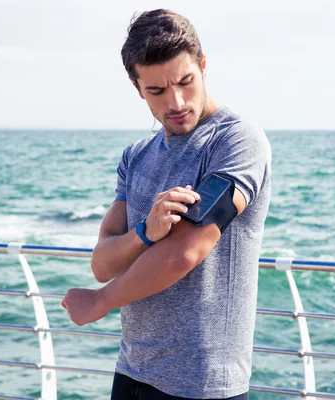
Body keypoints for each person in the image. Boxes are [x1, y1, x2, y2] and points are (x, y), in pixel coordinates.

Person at [61, 9, 271, 400]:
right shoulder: (135, 156)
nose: (175, 102)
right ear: (136, 86)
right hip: (131, 371)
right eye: (156, 91)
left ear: (204, 66)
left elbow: (186, 251)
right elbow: (102, 264)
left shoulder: (237, 141)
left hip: (202, 384)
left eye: (186, 82)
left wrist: (99, 304)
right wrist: (144, 233)